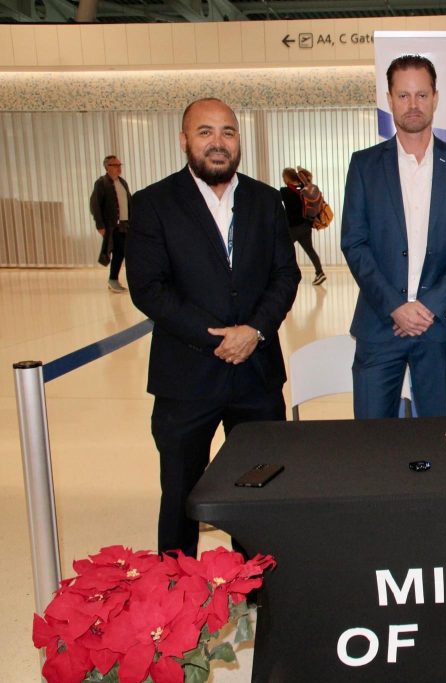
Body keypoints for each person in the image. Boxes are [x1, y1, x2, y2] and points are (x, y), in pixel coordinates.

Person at [126, 98, 300, 556]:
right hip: (186, 379)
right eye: (205, 132)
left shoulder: (266, 200)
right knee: (181, 496)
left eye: (228, 132)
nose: (218, 142)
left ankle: (259, 585)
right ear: (184, 140)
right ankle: (176, 589)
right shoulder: (153, 203)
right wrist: (218, 339)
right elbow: (149, 288)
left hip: (257, 376)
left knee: (262, 492)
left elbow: (286, 275)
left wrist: (254, 331)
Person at [340, 54, 446, 419]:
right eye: (403, 95)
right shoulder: (364, 165)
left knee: (438, 434)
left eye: (421, 95)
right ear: (389, 99)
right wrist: (395, 306)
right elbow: (354, 243)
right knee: (372, 438)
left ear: (435, 98)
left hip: (440, 324)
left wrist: (429, 306)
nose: (413, 104)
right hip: (380, 323)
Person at [89, 155, 131, 292]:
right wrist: (100, 225)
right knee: (118, 251)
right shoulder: (101, 183)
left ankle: (114, 280)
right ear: (108, 167)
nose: (119, 168)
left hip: (125, 224)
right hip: (113, 226)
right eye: (116, 165)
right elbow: (95, 205)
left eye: (120, 165)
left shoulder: (122, 182)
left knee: (123, 251)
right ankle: (113, 280)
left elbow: (128, 202)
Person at [280, 166, 326, 285]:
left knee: (281, 249)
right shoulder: (304, 189)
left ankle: (284, 275)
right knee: (310, 250)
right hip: (305, 226)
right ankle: (320, 273)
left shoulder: (285, 191)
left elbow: (275, 199)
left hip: (293, 228)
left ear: (287, 178)